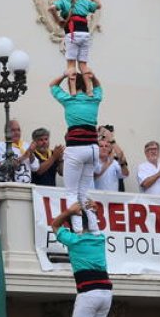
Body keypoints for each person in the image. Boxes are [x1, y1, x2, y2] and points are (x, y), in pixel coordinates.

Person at [50, 201, 112, 317]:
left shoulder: (73, 240)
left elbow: (54, 225)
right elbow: (93, 224)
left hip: (89, 292)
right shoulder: (100, 238)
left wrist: (69, 211)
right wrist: (90, 209)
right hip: (106, 292)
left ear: (71, 226)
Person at [51, 72, 104, 231]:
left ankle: (78, 230)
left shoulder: (69, 100)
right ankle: (94, 228)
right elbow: (99, 86)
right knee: (83, 192)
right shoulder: (94, 98)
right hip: (93, 149)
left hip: (76, 149)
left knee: (71, 192)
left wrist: (64, 74)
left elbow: (52, 85)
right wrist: (93, 76)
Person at [51, 0, 101, 78]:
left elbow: (52, 8)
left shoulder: (63, 1)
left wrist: (58, 19)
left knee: (71, 65)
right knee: (83, 65)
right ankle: (89, 88)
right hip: (85, 35)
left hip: (72, 34)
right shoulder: (85, 1)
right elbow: (98, 5)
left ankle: (73, 90)